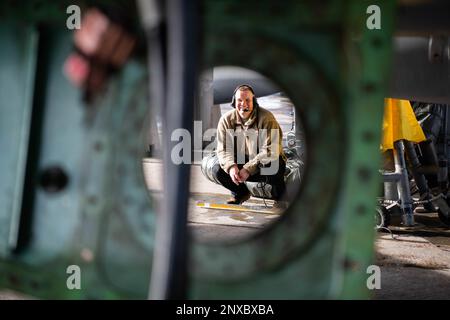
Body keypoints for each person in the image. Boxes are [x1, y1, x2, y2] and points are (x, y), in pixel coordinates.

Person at [212, 84, 287, 204]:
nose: (244, 104)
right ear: (234, 102)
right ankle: (240, 193)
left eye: (247, 100)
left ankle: (281, 196)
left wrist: (248, 169)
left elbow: (271, 150)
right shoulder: (226, 120)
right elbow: (223, 149)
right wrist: (231, 167)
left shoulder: (267, 118)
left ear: (254, 101)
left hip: (262, 164)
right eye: (239, 100)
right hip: (242, 161)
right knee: (217, 170)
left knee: (275, 165)